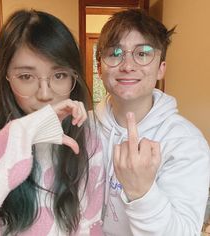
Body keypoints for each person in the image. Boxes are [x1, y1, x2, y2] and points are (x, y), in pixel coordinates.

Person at [0, 9, 105, 236]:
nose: (45, 94)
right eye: (26, 77)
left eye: (59, 75)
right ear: (5, 76)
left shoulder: (88, 140)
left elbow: (90, 227)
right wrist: (23, 134)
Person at [95, 8, 210, 235]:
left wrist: (142, 191)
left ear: (161, 68)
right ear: (100, 67)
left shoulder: (185, 142)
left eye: (144, 53)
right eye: (115, 53)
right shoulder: (82, 127)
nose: (128, 65)